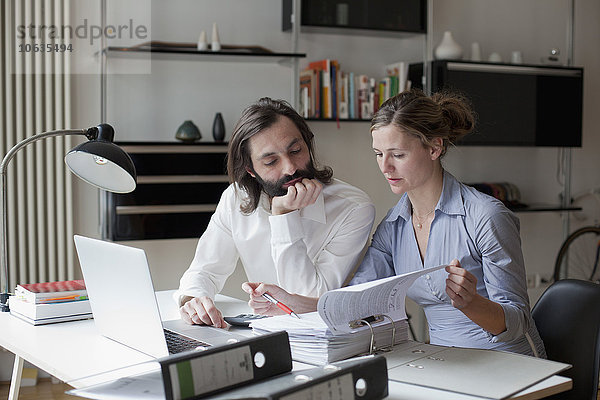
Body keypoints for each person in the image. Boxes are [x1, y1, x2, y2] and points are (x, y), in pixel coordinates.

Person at [243, 89, 546, 358]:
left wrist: (471, 303)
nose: (385, 167)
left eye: (398, 154)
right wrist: (291, 302)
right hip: (447, 363)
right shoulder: (395, 225)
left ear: (434, 148)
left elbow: (517, 322)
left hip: (510, 363)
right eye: (378, 154)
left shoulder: (487, 217)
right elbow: (355, 300)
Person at [175, 97, 376, 328]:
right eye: (271, 162)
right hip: (261, 332)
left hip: (323, 336)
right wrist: (193, 301)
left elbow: (308, 301)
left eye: (296, 150)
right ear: (250, 170)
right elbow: (205, 270)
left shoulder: (353, 208)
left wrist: (283, 217)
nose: (290, 167)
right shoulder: (236, 198)